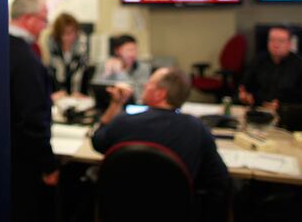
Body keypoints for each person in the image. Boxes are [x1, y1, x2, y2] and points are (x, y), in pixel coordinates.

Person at [92, 67, 231, 216]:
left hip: (120, 211)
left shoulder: (124, 121)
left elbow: (97, 142)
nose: (145, 85)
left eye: (150, 83)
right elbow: (219, 179)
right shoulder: (197, 128)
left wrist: (115, 103)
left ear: (160, 93)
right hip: (174, 213)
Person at [9, 0, 59, 222]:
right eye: (43, 19)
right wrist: (49, 164)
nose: (45, 26)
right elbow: (32, 119)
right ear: (29, 19)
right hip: (24, 161)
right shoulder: (27, 60)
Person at [238, 25, 302, 111]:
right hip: (257, 111)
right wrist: (245, 97)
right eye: (272, 40)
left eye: (281, 41)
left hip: (288, 113)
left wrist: (282, 105)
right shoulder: (258, 61)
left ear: (289, 44)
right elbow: (244, 88)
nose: (275, 44)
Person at [93, 34, 151, 103]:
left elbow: (138, 95)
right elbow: (96, 89)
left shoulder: (143, 68)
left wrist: (120, 72)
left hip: (132, 106)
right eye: (128, 50)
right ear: (117, 51)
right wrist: (107, 73)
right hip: (108, 104)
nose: (132, 54)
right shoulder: (105, 64)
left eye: (134, 49)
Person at [47, 12, 92, 99]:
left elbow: (86, 76)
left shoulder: (83, 46)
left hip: (80, 96)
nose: (69, 37)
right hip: (57, 96)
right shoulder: (52, 47)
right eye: (64, 33)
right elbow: (52, 75)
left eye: (72, 32)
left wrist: (79, 94)